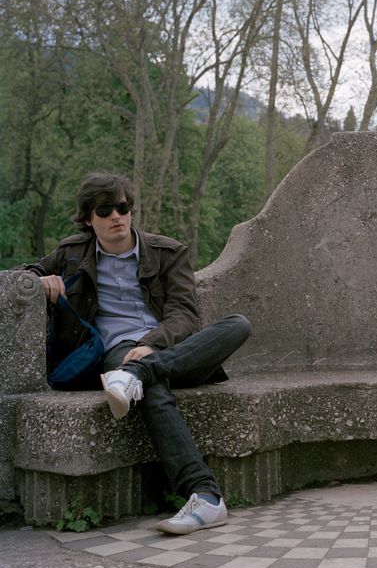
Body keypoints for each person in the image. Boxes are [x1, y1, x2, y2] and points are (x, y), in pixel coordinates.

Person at [28, 172, 251, 535]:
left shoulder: (167, 252)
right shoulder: (71, 253)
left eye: (123, 207)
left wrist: (152, 345)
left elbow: (183, 313)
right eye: (105, 210)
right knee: (150, 385)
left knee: (238, 324)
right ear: (88, 219)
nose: (117, 215)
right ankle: (206, 496)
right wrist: (38, 280)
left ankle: (139, 374)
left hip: (169, 350)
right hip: (116, 353)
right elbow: (21, 276)